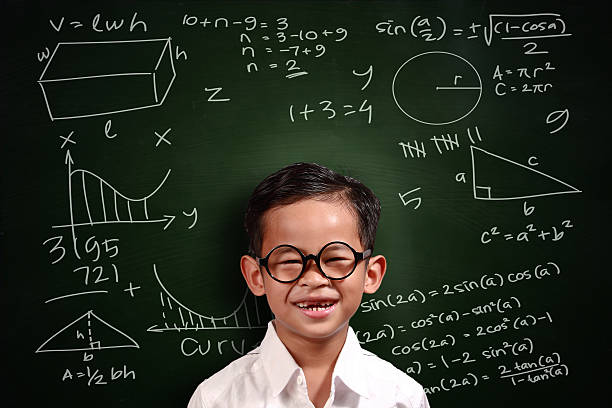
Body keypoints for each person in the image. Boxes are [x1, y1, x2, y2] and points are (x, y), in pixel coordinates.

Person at [188, 162, 429, 408]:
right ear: (256, 276)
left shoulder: (402, 398)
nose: (313, 279)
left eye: (335, 258)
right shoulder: (216, 400)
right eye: (290, 260)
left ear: (371, 274)